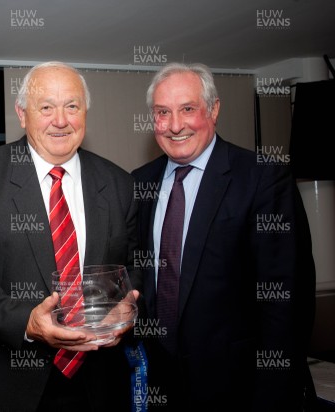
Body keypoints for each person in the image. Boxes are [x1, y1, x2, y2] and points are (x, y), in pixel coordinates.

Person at [0, 61, 140, 412]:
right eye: (46, 107)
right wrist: (27, 323)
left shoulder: (119, 183)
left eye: (72, 106)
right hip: (2, 381)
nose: (60, 120)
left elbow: (136, 263)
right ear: (22, 113)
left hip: (96, 382)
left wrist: (126, 305)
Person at [131, 62, 316, 411]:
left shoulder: (262, 178)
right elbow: (142, 276)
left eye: (188, 109)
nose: (174, 125)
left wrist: (273, 393)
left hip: (241, 388)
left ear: (213, 110)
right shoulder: (140, 182)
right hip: (161, 385)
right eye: (162, 112)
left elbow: (287, 301)